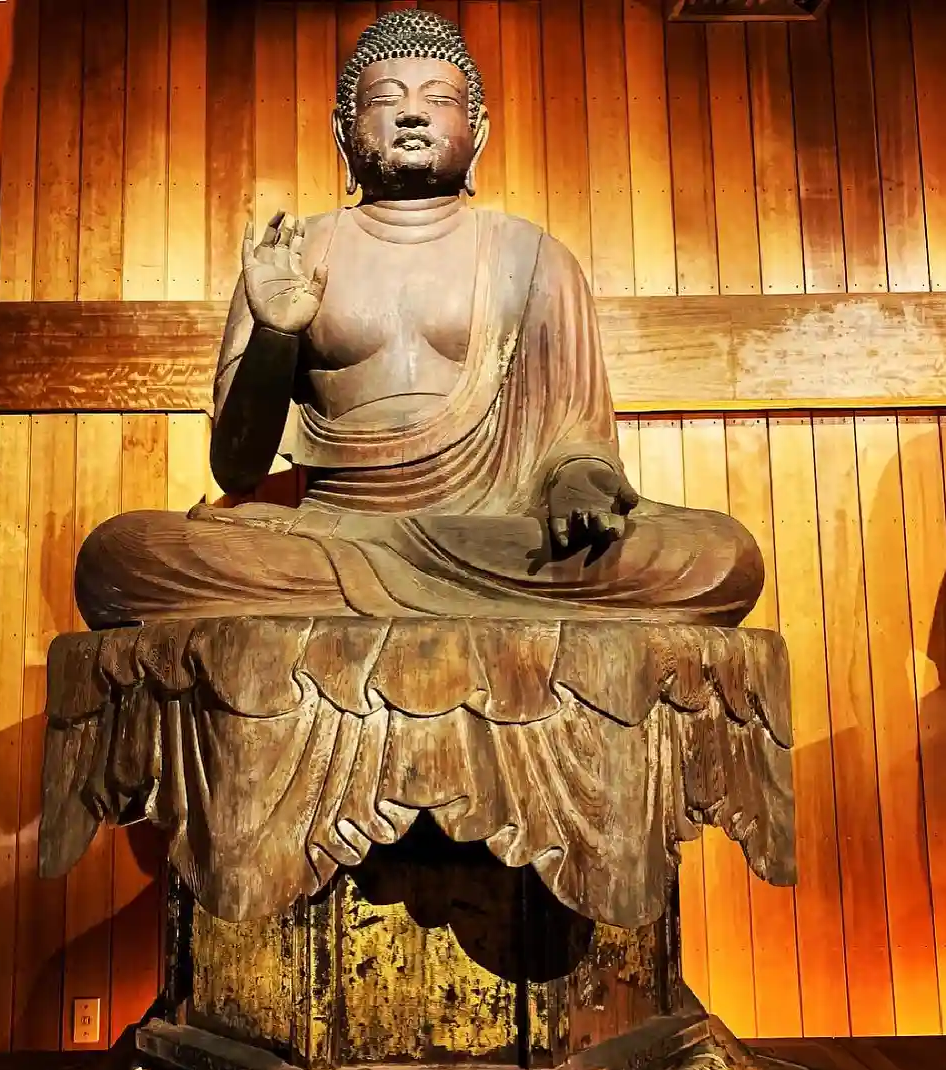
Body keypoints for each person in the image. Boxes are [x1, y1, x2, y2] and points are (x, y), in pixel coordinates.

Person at [76, 10, 763, 628]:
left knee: (719, 557)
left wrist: (579, 482)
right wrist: (276, 334)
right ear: (344, 130)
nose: (412, 114)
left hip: (495, 532)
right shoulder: (292, 253)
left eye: (439, 100)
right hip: (335, 527)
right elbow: (236, 467)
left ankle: (390, 579)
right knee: (120, 555)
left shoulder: (532, 257)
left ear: (477, 131)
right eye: (384, 99)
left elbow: (577, 438)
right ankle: (417, 578)